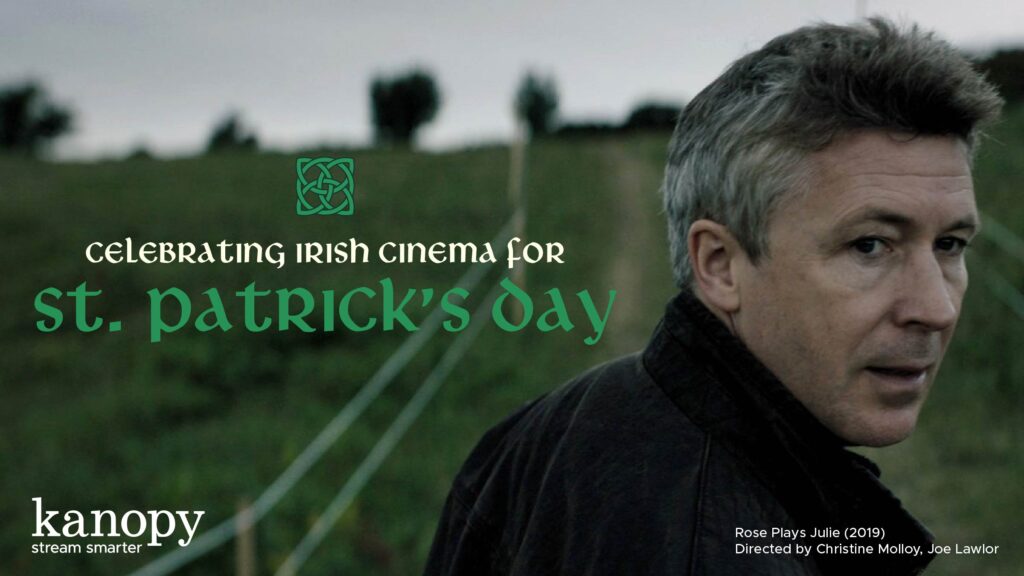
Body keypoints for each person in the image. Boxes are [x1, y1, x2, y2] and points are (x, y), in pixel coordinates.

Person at [425, 18, 1002, 575]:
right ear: (720, 265)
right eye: (870, 246)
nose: (936, 308)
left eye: (950, 244)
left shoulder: (533, 436)